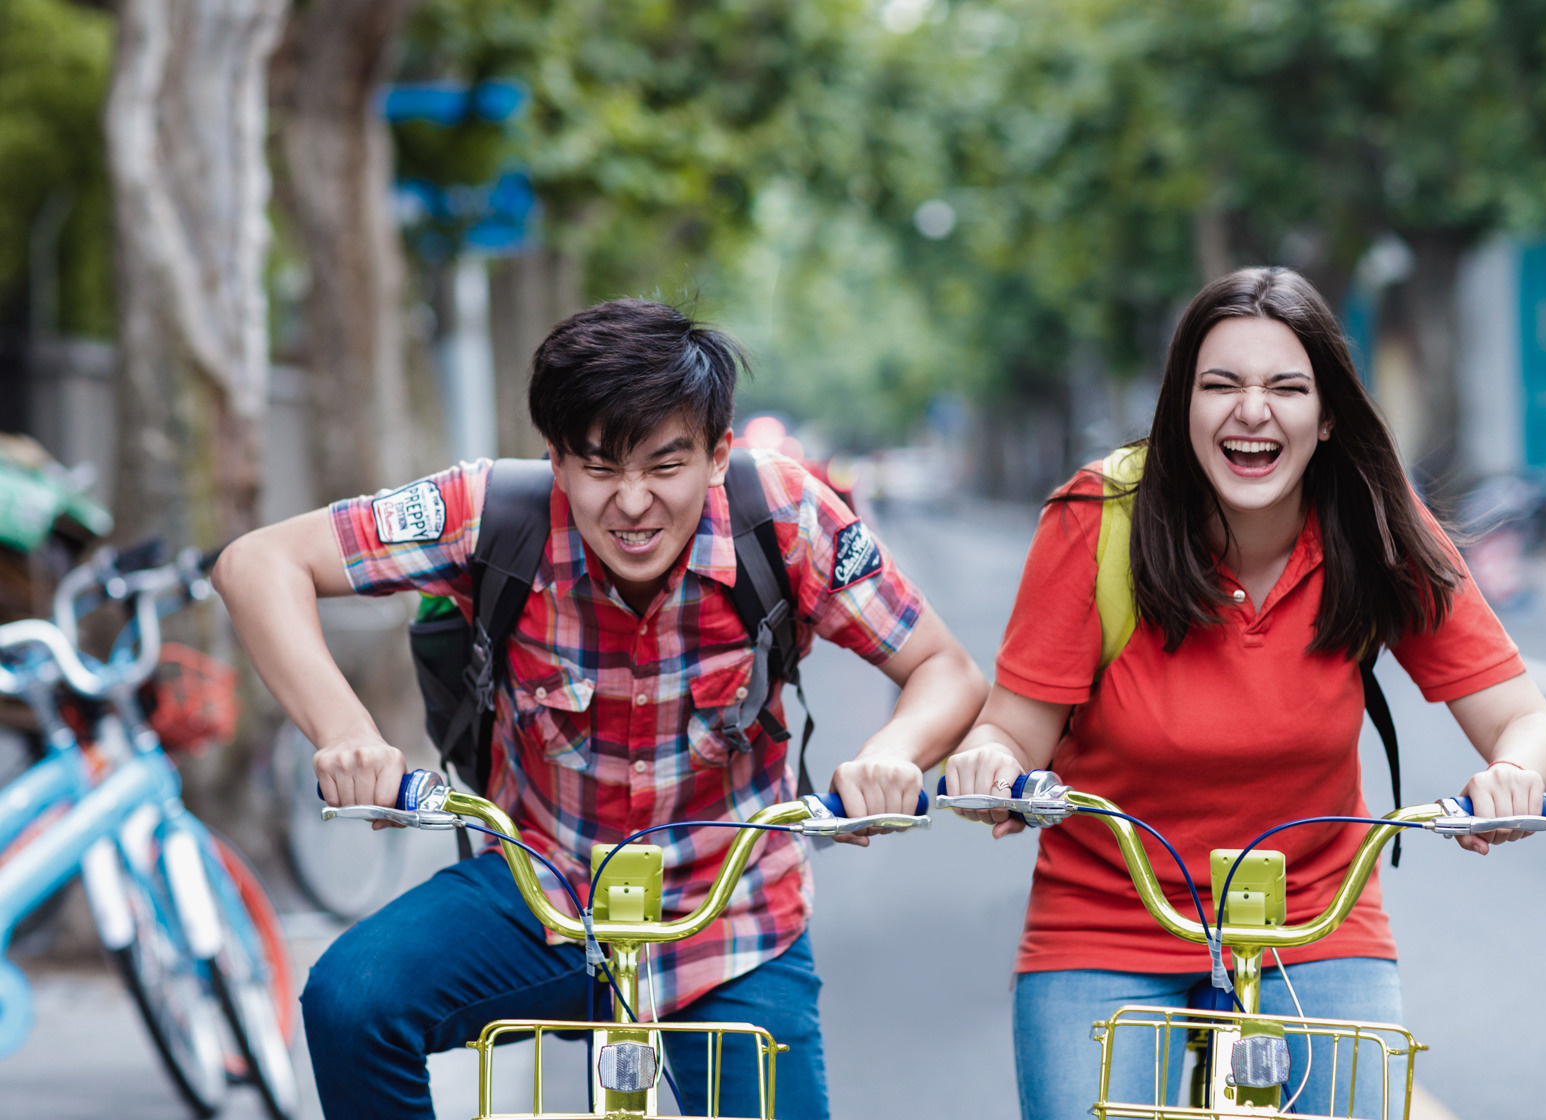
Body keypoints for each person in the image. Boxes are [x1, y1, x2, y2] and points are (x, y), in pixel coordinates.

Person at [212, 298, 987, 1120]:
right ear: (556, 460)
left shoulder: (787, 517)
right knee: (350, 999)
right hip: (540, 896)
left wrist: (894, 752)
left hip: (733, 922)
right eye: (599, 466)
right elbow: (257, 563)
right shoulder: (488, 512)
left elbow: (944, 668)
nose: (632, 502)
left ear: (719, 455)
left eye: (663, 465)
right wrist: (345, 733)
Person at [941, 267, 1546, 1119]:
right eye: (1220, 385)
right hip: (1105, 924)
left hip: (1313, 925)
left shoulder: (1378, 525)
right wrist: (988, 763)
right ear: (1182, 408)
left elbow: (1524, 720)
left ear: (1328, 414)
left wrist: (1514, 775)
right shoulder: (1098, 517)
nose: (1252, 411)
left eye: (1287, 387)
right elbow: (1013, 732)